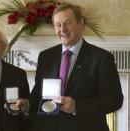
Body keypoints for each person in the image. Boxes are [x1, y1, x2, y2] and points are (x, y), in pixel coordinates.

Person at [29, 3, 123, 131]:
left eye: (68, 23)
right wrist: (27, 104)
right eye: (58, 25)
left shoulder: (101, 58)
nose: (62, 29)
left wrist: (76, 106)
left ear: (80, 23)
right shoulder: (45, 56)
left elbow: (114, 99)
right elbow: (38, 93)